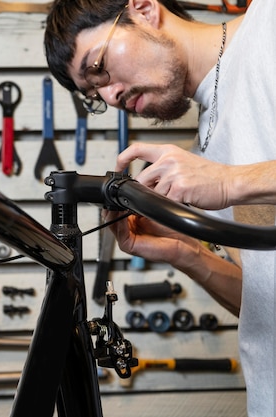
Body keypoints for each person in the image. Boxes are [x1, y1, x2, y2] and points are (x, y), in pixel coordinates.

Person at [44, 0, 275, 415]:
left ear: (144, 9)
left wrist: (230, 182)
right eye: (94, 94)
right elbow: (263, 302)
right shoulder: (206, 142)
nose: (110, 94)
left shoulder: (270, 27)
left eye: (98, 67)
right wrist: (186, 253)